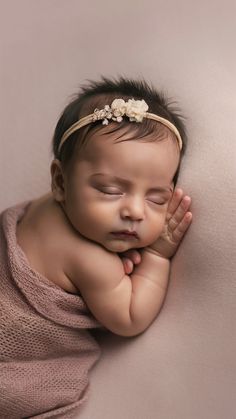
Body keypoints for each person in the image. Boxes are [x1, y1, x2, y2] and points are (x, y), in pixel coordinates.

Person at [0, 76, 192, 417]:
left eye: (156, 198)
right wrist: (158, 256)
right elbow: (130, 317)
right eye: (109, 190)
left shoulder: (45, 206)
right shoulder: (90, 259)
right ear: (60, 181)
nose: (134, 210)